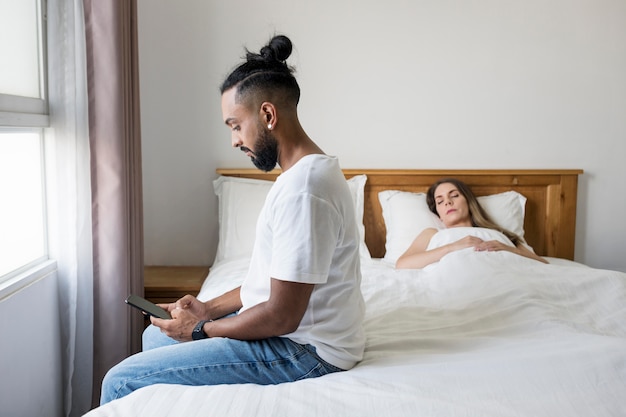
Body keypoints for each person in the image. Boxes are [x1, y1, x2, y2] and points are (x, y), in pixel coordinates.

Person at [100, 34, 365, 404]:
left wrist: (201, 330)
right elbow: (270, 284)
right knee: (153, 337)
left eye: (235, 125)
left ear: (267, 115)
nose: (234, 141)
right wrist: (208, 309)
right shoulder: (306, 174)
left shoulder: (305, 190)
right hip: (292, 332)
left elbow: (282, 315)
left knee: (119, 381)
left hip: (305, 351)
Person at [395, 178, 548, 269]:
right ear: (438, 214)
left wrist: (508, 249)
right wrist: (452, 247)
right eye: (440, 201)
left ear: (468, 202)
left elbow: (543, 264)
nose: (448, 202)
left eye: (454, 195)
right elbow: (402, 264)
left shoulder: (501, 235)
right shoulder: (432, 234)